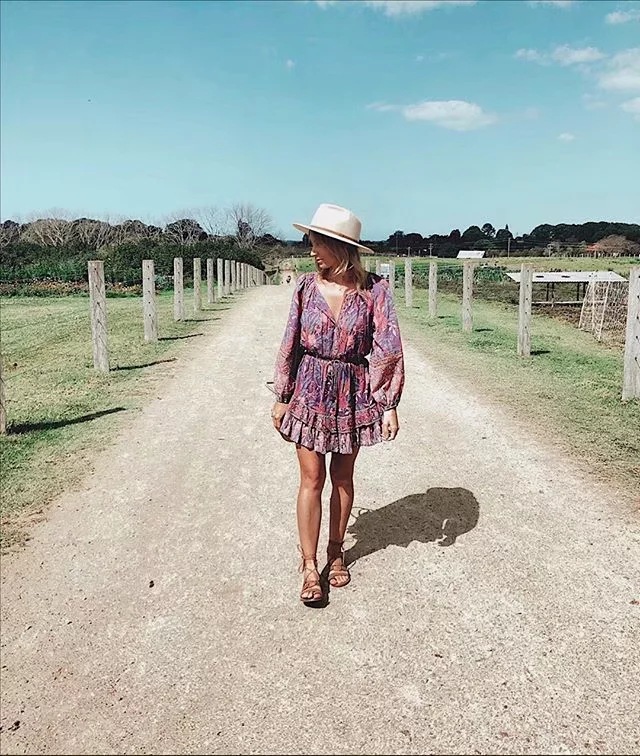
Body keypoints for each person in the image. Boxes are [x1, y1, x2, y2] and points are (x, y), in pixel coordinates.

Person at [270, 203, 405, 604]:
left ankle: (336, 551)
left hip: (353, 391)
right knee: (311, 478)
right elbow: (290, 342)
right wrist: (282, 396)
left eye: (318, 243)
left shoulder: (375, 291)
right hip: (309, 389)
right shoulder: (305, 288)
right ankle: (310, 566)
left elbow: (387, 348)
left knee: (342, 478)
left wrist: (389, 404)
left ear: (340, 247)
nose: (312, 250)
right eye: (311, 242)